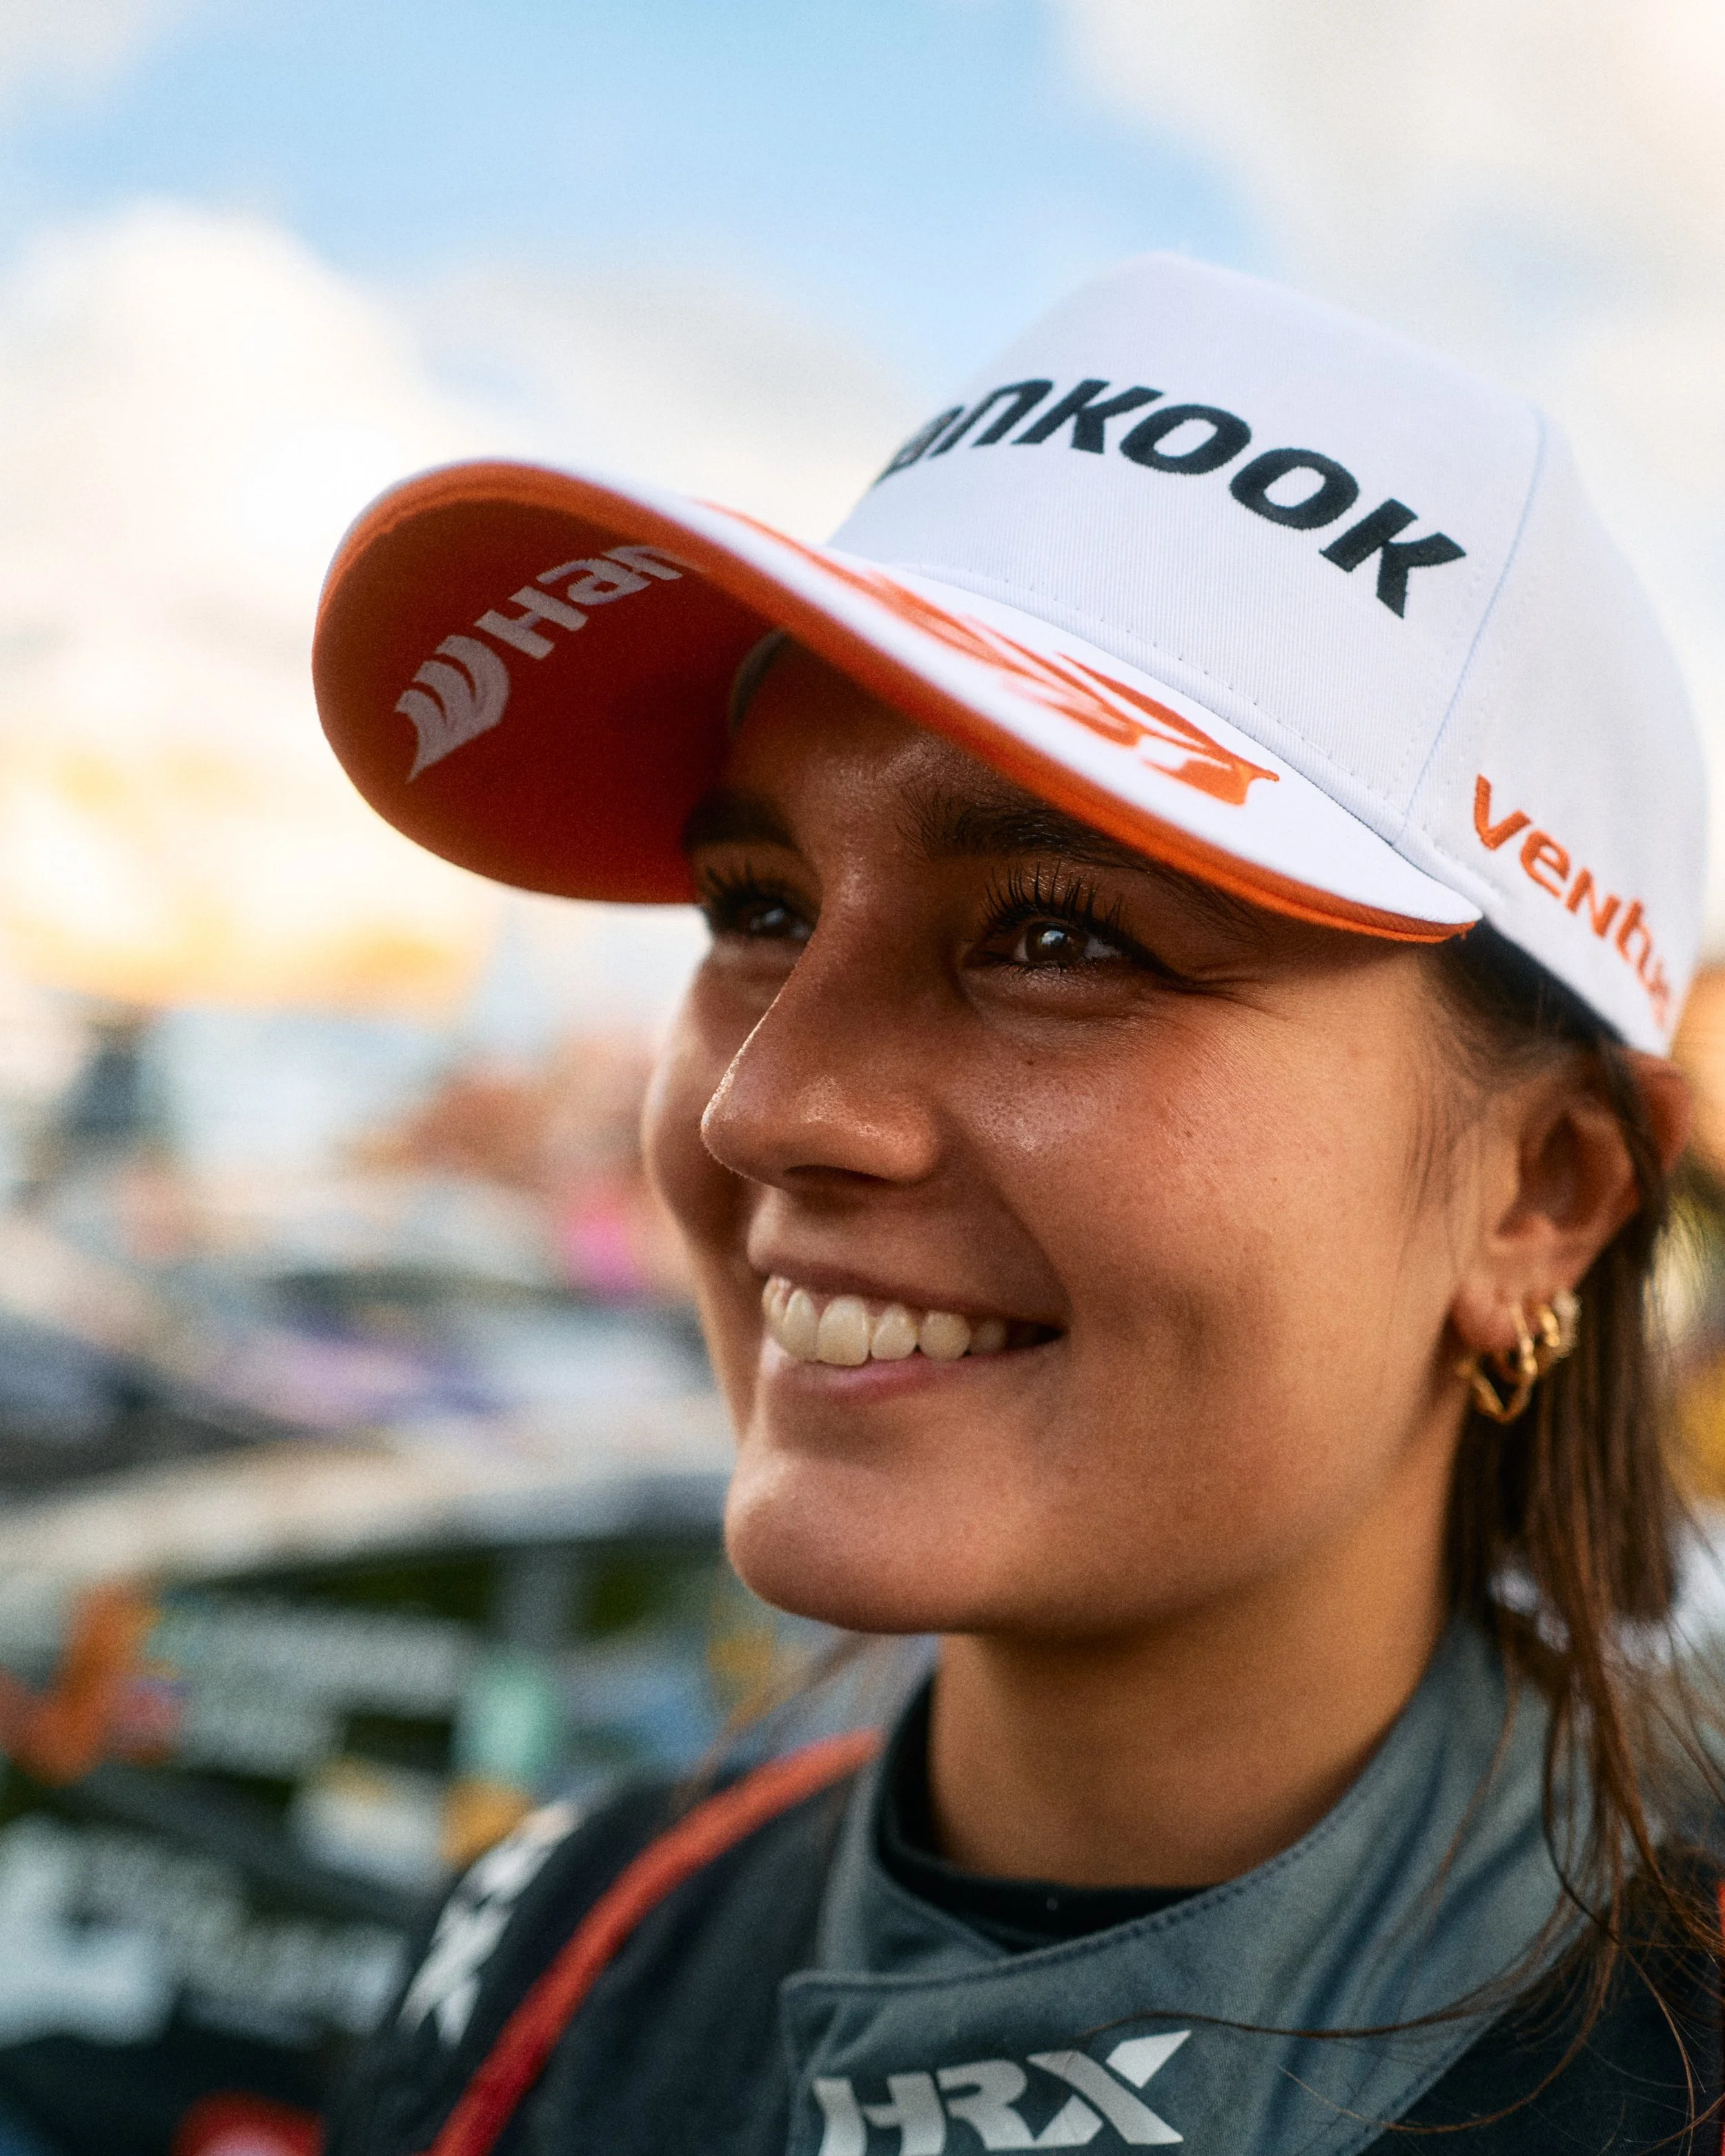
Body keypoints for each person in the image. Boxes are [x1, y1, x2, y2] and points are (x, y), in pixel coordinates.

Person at [312, 254, 1719, 2153]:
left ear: (1534, 1197)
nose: (768, 1101)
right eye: (756, 908)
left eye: (1059, 937)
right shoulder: (545, 1959)